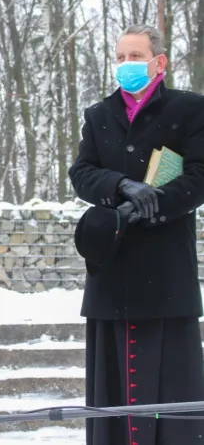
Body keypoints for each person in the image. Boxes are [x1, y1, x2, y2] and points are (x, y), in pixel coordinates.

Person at [69, 24, 204, 445]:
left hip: (166, 275)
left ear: (158, 62)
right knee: (113, 397)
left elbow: (200, 176)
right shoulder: (99, 113)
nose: (126, 64)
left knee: (172, 396)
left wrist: (150, 204)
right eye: (121, 56)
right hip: (111, 270)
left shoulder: (189, 109)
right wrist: (121, 187)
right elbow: (82, 173)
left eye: (135, 56)